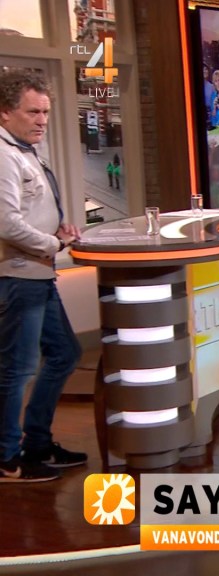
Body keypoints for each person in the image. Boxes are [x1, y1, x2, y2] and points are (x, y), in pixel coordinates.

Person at [0, 69, 87, 482]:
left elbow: (29, 212)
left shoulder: (25, 151)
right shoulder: (3, 155)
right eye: (33, 112)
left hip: (37, 274)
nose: (42, 121)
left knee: (65, 353)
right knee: (17, 369)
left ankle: (36, 442)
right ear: (5, 113)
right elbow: (6, 222)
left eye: (46, 112)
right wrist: (52, 242)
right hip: (17, 277)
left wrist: (57, 230)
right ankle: (6, 457)